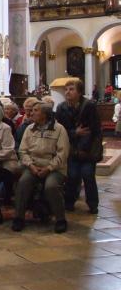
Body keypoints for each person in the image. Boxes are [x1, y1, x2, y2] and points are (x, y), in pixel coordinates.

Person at [14, 102, 70, 233]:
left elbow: (62, 153)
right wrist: (31, 165)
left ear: (45, 114)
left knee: (51, 186)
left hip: (54, 168)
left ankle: (60, 219)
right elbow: (23, 151)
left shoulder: (59, 129)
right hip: (33, 166)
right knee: (23, 183)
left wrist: (49, 168)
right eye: (32, 110)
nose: (31, 113)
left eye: (35, 110)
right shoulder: (29, 129)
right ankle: (19, 218)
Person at [55, 78, 103, 214]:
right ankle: (69, 202)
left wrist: (86, 149)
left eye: (71, 89)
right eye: (66, 89)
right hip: (71, 148)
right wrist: (74, 133)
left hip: (87, 149)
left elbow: (94, 130)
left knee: (88, 176)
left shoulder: (89, 106)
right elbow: (60, 130)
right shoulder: (61, 108)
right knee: (72, 176)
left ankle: (93, 204)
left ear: (80, 92)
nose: (67, 92)